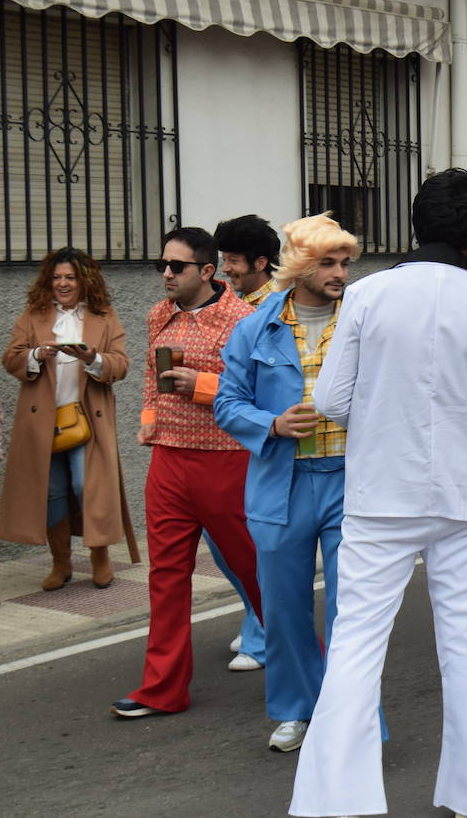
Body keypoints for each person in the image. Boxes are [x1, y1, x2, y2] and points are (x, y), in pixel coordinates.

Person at [289, 169, 467, 818]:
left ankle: (335, 801)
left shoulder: (369, 295)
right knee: (465, 642)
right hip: (466, 496)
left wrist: (380, 415)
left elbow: (329, 398)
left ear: (415, 220)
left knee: (356, 641)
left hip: (380, 493)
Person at [214, 213, 360, 753]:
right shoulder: (255, 326)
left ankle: (350, 717)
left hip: (353, 482)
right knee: (284, 607)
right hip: (282, 482)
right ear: (299, 266)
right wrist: (270, 424)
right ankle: (298, 710)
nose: (341, 273)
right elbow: (228, 404)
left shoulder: (365, 318)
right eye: (328, 262)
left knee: (355, 609)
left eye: (345, 262)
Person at [111, 228, 261, 718]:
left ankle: (310, 668)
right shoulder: (160, 314)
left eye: (177, 266)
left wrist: (202, 385)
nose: (167, 274)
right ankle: (163, 689)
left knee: (256, 571)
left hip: (224, 460)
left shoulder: (242, 319)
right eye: (163, 266)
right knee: (167, 576)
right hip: (168, 461)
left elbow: (259, 392)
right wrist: (149, 426)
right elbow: (153, 382)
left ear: (207, 272)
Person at [0, 248, 138, 590]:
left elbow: (120, 364)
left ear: (84, 280)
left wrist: (94, 358)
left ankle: (99, 558)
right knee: (51, 492)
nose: (62, 283)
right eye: (57, 277)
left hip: (87, 420)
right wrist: (35, 354)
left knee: (86, 485)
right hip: (42, 422)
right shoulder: (34, 314)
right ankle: (60, 563)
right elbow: (10, 358)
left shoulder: (104, 316)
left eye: (70, 277)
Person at [213, 212, 283, 668]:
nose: (225, 271)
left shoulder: (277, 308)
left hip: (269, 446)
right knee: (226, 545)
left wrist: (199, 387)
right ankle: (255, 617)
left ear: (261, 262)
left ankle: (264, 632)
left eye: (232, 262)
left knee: (254, 544)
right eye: (221, 261)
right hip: (229, 442)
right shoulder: (229, 306)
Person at [215, 213, 283, 306]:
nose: (224, 269)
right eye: (224, 260)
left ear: (260, 263)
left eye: (233, 260)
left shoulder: (280, 308)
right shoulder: (236, 301)